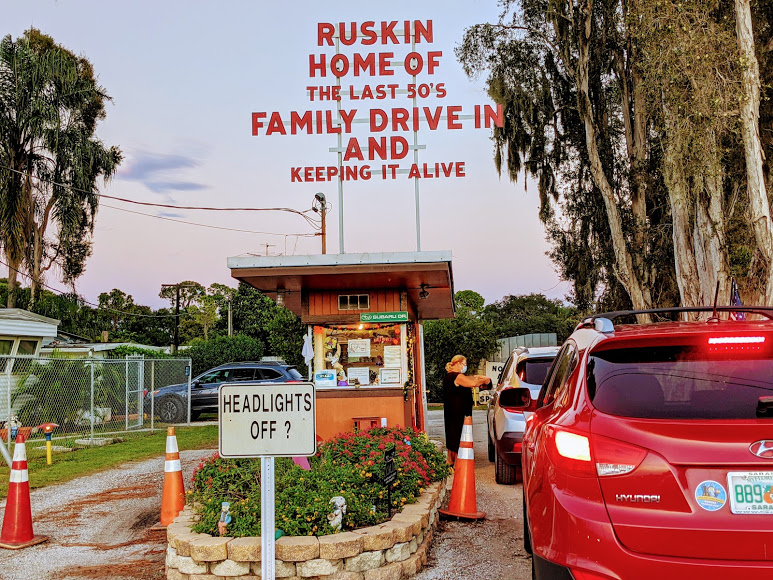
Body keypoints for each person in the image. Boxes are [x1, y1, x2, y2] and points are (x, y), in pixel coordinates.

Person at [443, 355, 491, 465]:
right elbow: (472, 383)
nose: (465, 366)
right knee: (459, 435)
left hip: (451, 411)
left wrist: (478, 378)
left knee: (452, 434)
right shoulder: (457, 376)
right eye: (464, 364)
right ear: (458, 363)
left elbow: (470, 379)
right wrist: (484, 380)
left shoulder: (450, 376)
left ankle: (450, 460)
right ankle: (457, 462)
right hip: (458, 412)